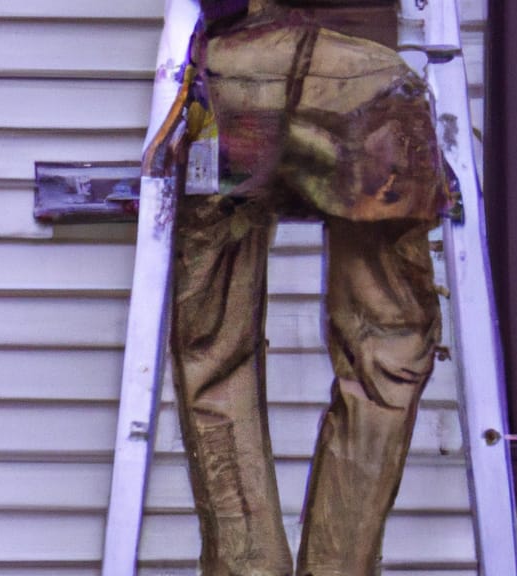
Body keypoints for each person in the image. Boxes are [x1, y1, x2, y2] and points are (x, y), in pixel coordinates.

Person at [166, 1, 450, 573]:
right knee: (388, 346)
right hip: (368, 82)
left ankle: (248, 567)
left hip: (230, 76)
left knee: (212, 345)